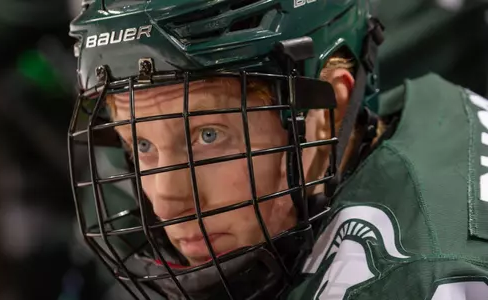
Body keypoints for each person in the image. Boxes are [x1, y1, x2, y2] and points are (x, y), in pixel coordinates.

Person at [67, 0, 488, 299]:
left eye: (209, 136)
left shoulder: (414, 281)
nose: (167, 199)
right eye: (141, 143)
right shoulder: (421, 126)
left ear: (330, 110)